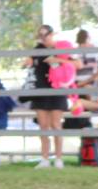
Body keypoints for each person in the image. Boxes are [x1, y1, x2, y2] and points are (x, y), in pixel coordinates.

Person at [23, 25, 69, 168]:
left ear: (52, 34)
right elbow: (28, 63)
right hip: (40, 92)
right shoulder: (36, 50)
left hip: (57, 91)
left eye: (46, 35)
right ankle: (45, 159)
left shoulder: (61, 48)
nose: (43, 38)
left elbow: (76, 63)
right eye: (40, 36)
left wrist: (56, 61)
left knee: (56, 125)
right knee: (43, 126)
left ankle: (59, 159)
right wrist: (27, 62)